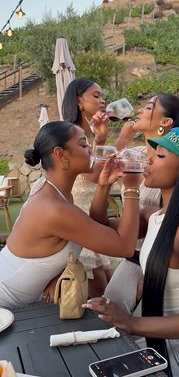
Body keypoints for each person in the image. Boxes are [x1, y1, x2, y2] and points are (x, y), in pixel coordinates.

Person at [83, 127, 179, 377]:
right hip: (172, 339)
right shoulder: (154, 215)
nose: (149, 158)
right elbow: (100, 224)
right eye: (152, 152)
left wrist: (131, 322)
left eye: (161, 156)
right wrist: (103, 185)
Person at [0, 121, 140, 309]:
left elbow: (92, 228)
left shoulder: (53, 190)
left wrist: (103, 184)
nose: (90, 150)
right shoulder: (53, 209)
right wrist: (131, 187)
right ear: (61, 153)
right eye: (83, 144)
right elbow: (124, 247)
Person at [105, 93, 179, 313]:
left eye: (148, 108)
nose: (139, 110)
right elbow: (103, 168)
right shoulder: (135, 154)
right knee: (109, 305)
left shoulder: (176, 168)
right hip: (133, 253)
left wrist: (151, 277)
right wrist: (123, 135)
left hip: (163, 262)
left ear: (165, 122)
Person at [62, 77, 114, 296]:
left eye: (102, 96)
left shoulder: (92, 134)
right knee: (98, 290)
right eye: (96, 95)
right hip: (80, 214)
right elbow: (93, 176)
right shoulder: (70, 134)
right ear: (79, 101)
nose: (102, 101)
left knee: (109, 288)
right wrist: (101, 143)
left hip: (96, 212)